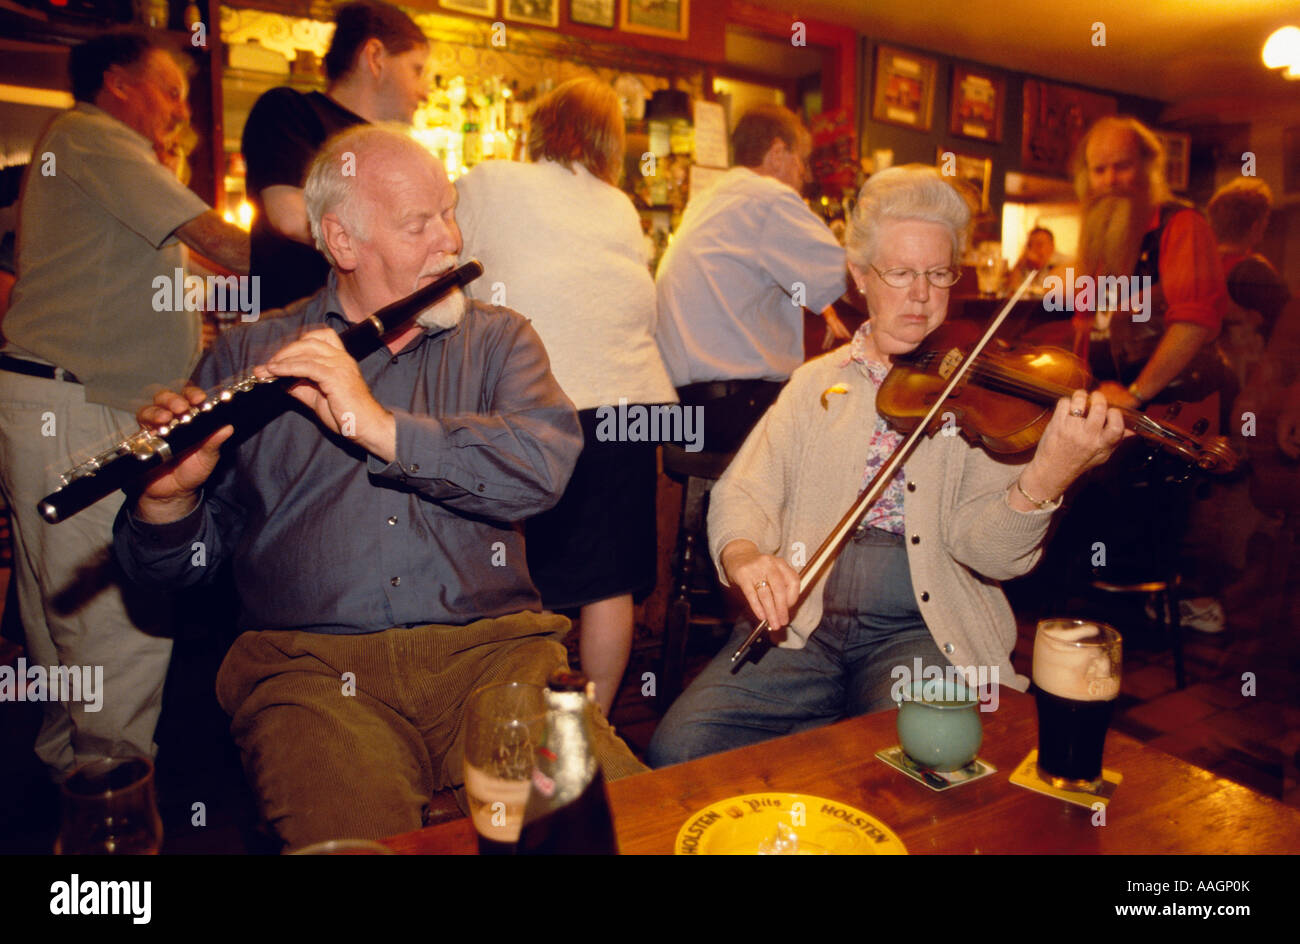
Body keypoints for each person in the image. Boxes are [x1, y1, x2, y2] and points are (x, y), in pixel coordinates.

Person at [112, 125, 645, 849]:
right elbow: (172, 572)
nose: (450, 240)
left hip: (495, 658)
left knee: (610, 829)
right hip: (312, 676)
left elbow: (540, 470)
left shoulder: (500, 340)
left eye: (449, 212)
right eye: (418, 223)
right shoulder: (250, 354)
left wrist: (379, 425)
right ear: (343, 242)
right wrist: (168, 501)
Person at [647, 166, 1124, 766]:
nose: (920, 295)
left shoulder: (983, 392)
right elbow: (744, 491)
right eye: (899, 273)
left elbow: (991, 555)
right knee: (681, 747)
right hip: (802, 630)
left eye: (937, 274)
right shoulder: (813, 384)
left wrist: (1047, 476)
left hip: (921, 629)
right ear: (859, 277)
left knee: (916, 762)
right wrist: (745, 555)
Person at [0, 31, 249, 779]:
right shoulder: (91, 134)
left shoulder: (91, 157)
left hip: (56, 394)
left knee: (62, 629)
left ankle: (69, 799)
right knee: (117, 630)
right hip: (74, 401)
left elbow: (179, 281)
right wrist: (338, 254)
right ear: (116, 81)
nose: (180, 109)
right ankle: (113, 830)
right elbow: (223, 244)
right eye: (170, 90)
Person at [455, 78, 677, 716]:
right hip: (631, 406)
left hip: (541, 402)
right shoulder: (620, 205)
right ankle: (594, 726)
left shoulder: (490, 181)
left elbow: (441, 267)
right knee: (609, 582)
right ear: (613, 144)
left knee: (526, 577)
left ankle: (518, 723)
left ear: (536, 127)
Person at [654, 104, 849, 454]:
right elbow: (850, 273)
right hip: (734, 413)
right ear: (777, 153)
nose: (804, 174)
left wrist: (822, 305)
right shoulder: (769, 198)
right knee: (849, 424)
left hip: (683, 411)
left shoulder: (708, 199)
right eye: (801, 159)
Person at [241, 0, 429, 310]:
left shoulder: (388, 145)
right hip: (294, 334)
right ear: (375, 56)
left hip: (368, 336)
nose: (424, 91)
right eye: (416, 70)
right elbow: (288, 215)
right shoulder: (289, 109)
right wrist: (391, 244)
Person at [1069, 116, 1228, 413]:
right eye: (1099, 170)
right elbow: (1088, 327)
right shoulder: (1099, 236)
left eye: (1122, 166)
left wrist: (1136, 394)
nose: (1110, 180)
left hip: (1175, 411)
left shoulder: (1182, 225)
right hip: (1114, 406)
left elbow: (1192, 324)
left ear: (1148, 167)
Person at [1008, 225, 1063, 295]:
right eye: (1030, 245)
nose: (1033, 249)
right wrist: (1019, 265)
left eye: (1039, 245)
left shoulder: (1061, 263)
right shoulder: (1026, 264)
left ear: (1052, 246)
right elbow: (1011, 290)